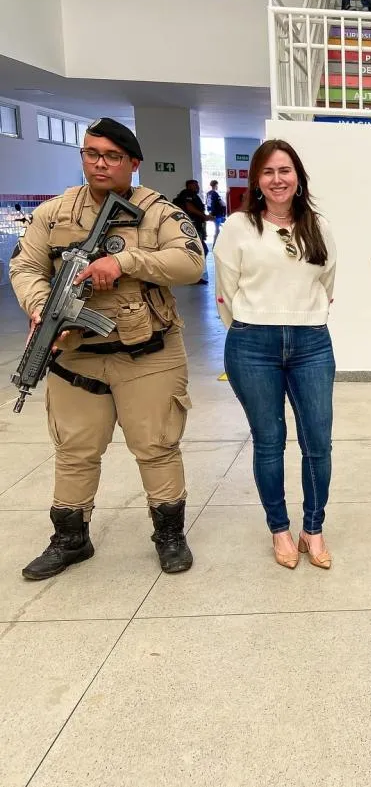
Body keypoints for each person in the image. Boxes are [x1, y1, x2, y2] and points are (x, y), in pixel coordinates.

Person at [8, 117, 204, 579]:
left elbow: (191, 262)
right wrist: (40, 306)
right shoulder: (53, 213)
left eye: (112, 156)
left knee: (157, 446)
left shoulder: (157, 212)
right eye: (92, 153)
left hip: (148, 353)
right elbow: (26, 267)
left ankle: (169, 535)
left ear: (133, 163)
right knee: (74, 449)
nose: (100, 164)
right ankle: (70, 539)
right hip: (76, 355)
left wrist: (124, 261)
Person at [214, 139, 337, 570]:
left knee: (317, 442)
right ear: (256, 181)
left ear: (298, 178)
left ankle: (313, 528)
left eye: (285, 170)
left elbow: (327, 283)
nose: (277, 179)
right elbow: (226, 291)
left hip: (311, 343)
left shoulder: (318, 226)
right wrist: (252, 323)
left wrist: (303, 315)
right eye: (268, 172)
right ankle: (280, 529)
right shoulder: (238, 227)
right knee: (269, 441)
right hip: (252, 344)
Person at [174, 179, 210, 258]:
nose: (198, 187)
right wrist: (204, 216)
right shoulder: (187, 194)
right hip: (192, 226)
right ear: (189, 186)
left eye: (198, 185)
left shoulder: (194, 195)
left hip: (196, 226)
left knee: (202, 250)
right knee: (201, 250)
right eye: (195, 185)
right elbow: (189, 207)